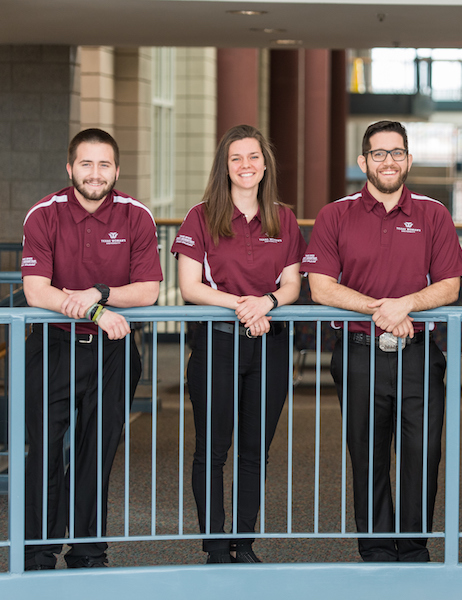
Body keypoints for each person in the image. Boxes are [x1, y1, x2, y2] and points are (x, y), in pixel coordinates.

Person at [303, 120, 462, 562]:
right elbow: (320, 287)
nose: (388, 161)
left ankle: (414, 548)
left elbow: (451, 285)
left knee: (422, 454)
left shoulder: (433, 214)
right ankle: (376, 549)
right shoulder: (334, 214)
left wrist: (406, 304)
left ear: (409, 160)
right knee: (368, 454)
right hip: (359, 355)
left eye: (396, 153)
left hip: (418, 356)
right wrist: (384, 308)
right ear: (363, 162)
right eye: (378, 154)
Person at [20, 128, 163, 569]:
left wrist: (98, 293)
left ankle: (87, 552)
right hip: (54, 348)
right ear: (70, 168)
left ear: (116, 170)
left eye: (104, 165)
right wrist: (95, 312)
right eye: (86, 163)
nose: (95, 173)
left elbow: (148, 291)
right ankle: (38, 552)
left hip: (113, 354)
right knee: (43, 452)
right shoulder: (43, 215)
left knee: (95, 454)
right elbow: (35, 291)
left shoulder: (136, 216)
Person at [171, 124, 304, 564]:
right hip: (217, 345)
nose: (245, 166)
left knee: (255, 451)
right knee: (212, 448)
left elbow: (291, 286)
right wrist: (242, 306)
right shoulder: (201, 215)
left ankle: (243, 542)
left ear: (265, 164)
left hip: (270, 346)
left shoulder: (283, 218)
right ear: (224, 167)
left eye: (252, 157)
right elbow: (189, 285)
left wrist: (265, 303)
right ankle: (214, 545)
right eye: (236, 159)